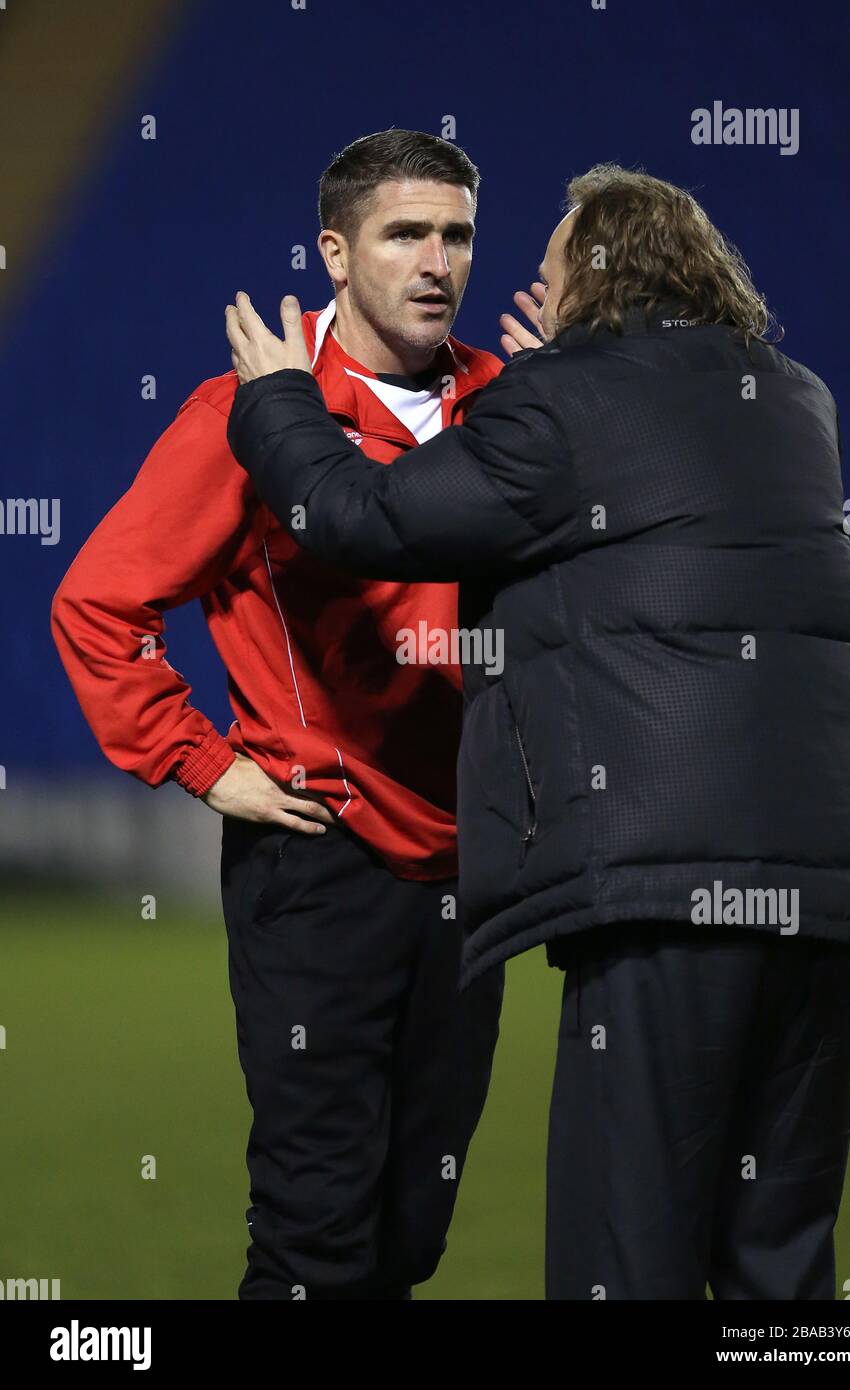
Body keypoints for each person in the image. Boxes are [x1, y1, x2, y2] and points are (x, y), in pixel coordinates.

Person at [224, 164, 850, 1301]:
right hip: (823, 888)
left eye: (542, 272)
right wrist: (572, 375)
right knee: (779, 1262)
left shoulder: (561, 406)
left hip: (661, 894)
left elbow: (363, 515)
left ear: (586, 282)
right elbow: (650, 488)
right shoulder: (792, 400)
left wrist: (280, 399)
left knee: (624, 1252)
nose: (519, 289)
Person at [51, 129, 505, 1300]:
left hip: (474, 872)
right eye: (403, 233)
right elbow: (99, 606)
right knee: (316, 1237)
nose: (434, 261)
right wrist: (203, 764)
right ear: (335, 251)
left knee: (411, 1237)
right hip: (320, 859)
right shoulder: (254, 413)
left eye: (455, 234)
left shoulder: (506, 406)